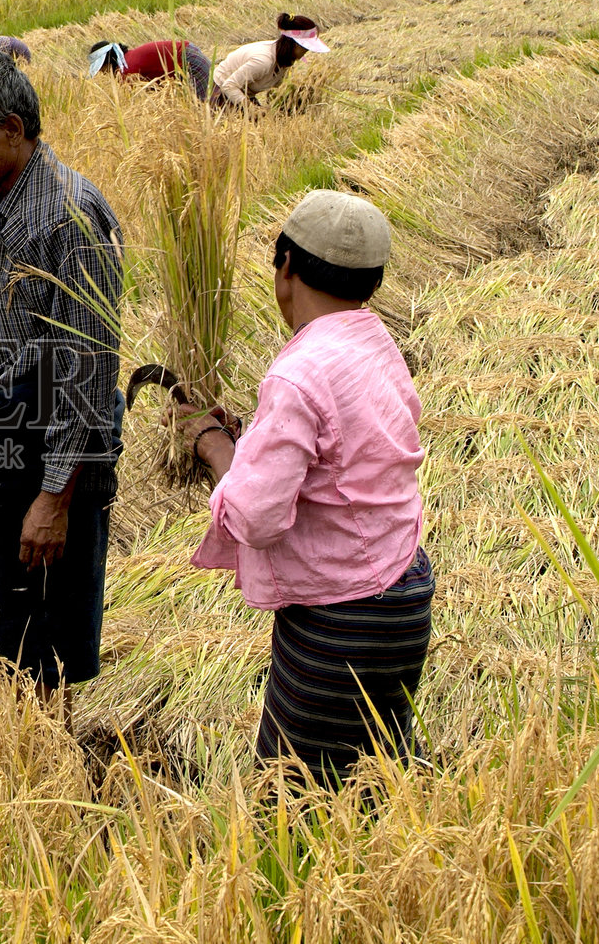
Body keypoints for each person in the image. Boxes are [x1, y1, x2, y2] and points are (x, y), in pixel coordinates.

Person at [174, 190, 431, 788]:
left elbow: (258, 516)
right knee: (372, 780)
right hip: (402, 588)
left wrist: (212, 446)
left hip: (342, 617)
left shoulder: (298, 372)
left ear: (285, 265)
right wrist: (252, 444)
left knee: (294, 803)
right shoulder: (373, 342)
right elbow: (335, 456)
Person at [0, 45, 124, 720]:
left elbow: (86, 371)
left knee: (40, 639)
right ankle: (17, 752)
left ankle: (46, 772)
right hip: (6, 450)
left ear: (9, 128)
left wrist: (54, 498)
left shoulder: (66, 220)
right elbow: (2, 328)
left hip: (48, 461)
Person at [208, 12, 330, 108]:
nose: (306, 51)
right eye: (305, 48)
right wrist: (251, 109)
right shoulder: (263, 61)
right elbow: (229, 86)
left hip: (244, 93)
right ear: (294, 44)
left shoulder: (284, 59)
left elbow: (276, 87)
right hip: (221, 91)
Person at [88, 38, 213, 102]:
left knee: (201, 110)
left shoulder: (127, 71)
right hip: (190, 54)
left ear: (109, 62)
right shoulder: (130, 58)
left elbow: (151, 98)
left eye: (102, 69)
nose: (103, 73)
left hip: (189, 60)